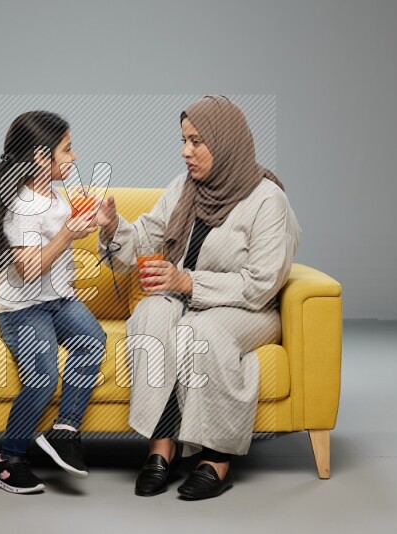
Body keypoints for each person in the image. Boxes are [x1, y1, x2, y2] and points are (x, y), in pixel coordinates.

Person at [96, 95, 302, 500]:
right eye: (184, 140)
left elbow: (261, 284)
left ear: (225, 143)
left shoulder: (267, 201)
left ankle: (217, 458)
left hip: (246, 308)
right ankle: (161, 444)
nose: (185, 151)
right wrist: (112, 226)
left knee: (201, 331)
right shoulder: (184, 188)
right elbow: (141, 241)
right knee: (151, 312)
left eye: (196, 141)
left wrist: (187, 282)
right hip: (186, 297)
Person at [0, 111, 107, 494]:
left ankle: (64, 431)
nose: (74, 157)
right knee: (42, 376)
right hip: (23, 308)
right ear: (40, 158)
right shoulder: (20, 207)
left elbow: (60, 238)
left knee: (92, 340)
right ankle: (7, 461)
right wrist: (67, 234)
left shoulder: (53, 194)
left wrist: (92, 221)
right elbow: (30, 271)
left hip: (58, 300)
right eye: (67, 150)